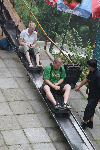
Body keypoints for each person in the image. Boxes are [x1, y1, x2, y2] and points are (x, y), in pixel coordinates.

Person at [75, 59, 100, 129]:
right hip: (91, 93)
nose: (88, 67)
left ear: (92, 67)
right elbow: (86, 79)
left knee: (88, 108)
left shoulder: (98, 76)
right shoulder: (92, 72)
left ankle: (85, 123)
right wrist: (79, 86)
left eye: (88, 66)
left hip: (96, 95)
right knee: (92, 108)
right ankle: (91, 122)